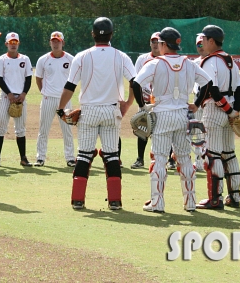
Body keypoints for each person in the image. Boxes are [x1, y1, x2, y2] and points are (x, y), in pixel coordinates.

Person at [57, 17, 136, 210]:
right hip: (111, 110)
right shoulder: (121, 56)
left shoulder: (81, 56)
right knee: (112, 156)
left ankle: (78, 200)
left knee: (84, 155)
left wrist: (60, 108)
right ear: (111, 34)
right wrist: (127, 104)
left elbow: (70, 86)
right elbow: (135, 82)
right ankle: (115, 201)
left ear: (93, 34)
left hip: (89, 112)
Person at [133, 27, 212, 213]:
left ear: (162, 44)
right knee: (184, 158)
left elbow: (136, 84)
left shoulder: (155, 63)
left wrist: (143, 107)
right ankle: (190, 202)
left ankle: (157, 203)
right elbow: (208, 83)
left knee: (159, 158)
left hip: (162, 113)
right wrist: (197, 104)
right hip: (183, 114)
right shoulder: (189, 63)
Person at [195, 25, 240, 210]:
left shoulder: (210, 61)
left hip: (215, 110)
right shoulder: (230, 60)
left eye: (204, 39)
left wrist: (227, 109)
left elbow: (212, 89)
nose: (202, 42)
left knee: (213, 154)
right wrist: (234, 112)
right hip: (230, 108)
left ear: (211, 41)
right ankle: (235, 196)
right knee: (229, 154)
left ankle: (215, 198)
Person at [34, 31, 76, 167]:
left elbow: (75, 79)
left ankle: (70, 157)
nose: (55, 43)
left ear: (63, 42)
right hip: (48, 99)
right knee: (43, 130)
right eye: (53, 41)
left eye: (58, 41)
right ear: (50, 42)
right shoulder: (43, 60)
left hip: (65, 99)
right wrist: (45, 92)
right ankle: (40, 157)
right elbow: (38, 78)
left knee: (67, 130)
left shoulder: (71, 59)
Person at [0, 32, 33, 167]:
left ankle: (23, 158)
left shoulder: (25, 59)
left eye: (15, 42)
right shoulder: (1, 60)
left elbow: (28, 78)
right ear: (6, 44)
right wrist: (9, 94)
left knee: (20, 129)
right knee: (1, 128)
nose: (13, 45)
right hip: (6, 97)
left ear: (18, 43)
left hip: (21, 97)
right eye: (11, 42)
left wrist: (24, 94)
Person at [130, 32, 160, 169]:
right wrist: (141, 100)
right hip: (145, 100)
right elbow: (135, 80)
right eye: (153, 41)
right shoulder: (142, 59)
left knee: (164, 129)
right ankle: (140, 159)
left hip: (161, 101)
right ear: (150, 43)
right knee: (143, 128)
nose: (155, 43)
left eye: (158, 41)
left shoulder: (167, 59)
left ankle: (169, 160)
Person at [191, 33, 208, 172]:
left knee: (209, 131)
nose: (201, 47)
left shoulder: (213, 60)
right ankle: (198, 161)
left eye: (203, 43)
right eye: (199, 44)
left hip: (209, 101)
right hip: (197, 99)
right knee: (197, 131)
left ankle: (208, 159)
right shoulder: (194, 63)